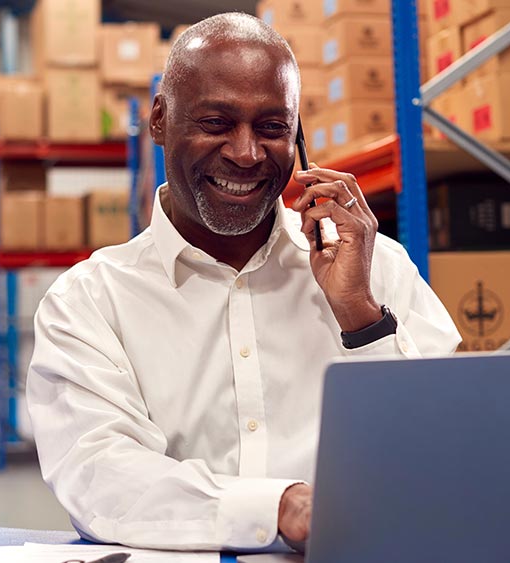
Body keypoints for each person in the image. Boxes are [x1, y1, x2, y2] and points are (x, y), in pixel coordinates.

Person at [26, 13, 461, 551]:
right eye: (216, 122)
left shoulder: (378, 272)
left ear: (299, 139)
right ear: (160, 119)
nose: (246, 152)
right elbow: (100, 476)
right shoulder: (89, 302)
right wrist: (279, 508)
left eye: (272, 128)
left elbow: (444, 453)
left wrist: (361, 317)